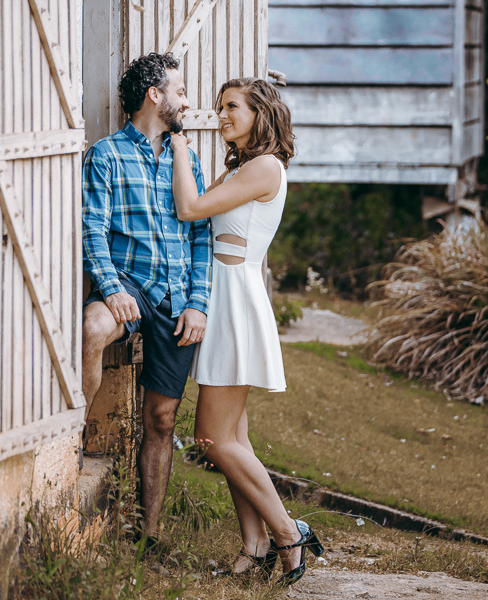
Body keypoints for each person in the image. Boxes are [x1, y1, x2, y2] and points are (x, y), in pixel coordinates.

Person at [170, 78, 322, 586]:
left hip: (232, 301)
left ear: (261, 112)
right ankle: (254, 543)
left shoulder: (264, 166)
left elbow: (190, 209)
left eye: (231, 106)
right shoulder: (243, 166)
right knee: (233, 438)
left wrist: (176, 145)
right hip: (227, 294)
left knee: (211, 437)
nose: (221, 116)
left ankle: (288, 534)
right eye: (219, 107)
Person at [81, 52, 213, 549]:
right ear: (154, 95)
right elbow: (93, 230)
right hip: (130, 285)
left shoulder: (188, 158)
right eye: (179, 90)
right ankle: (78, 439)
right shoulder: (107, 155)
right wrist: (111, 288)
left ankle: (149, 536)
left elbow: (201, 235)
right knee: (92, 328)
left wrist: (198, 302)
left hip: (177, 296)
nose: (186, 99)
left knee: (161, 418)